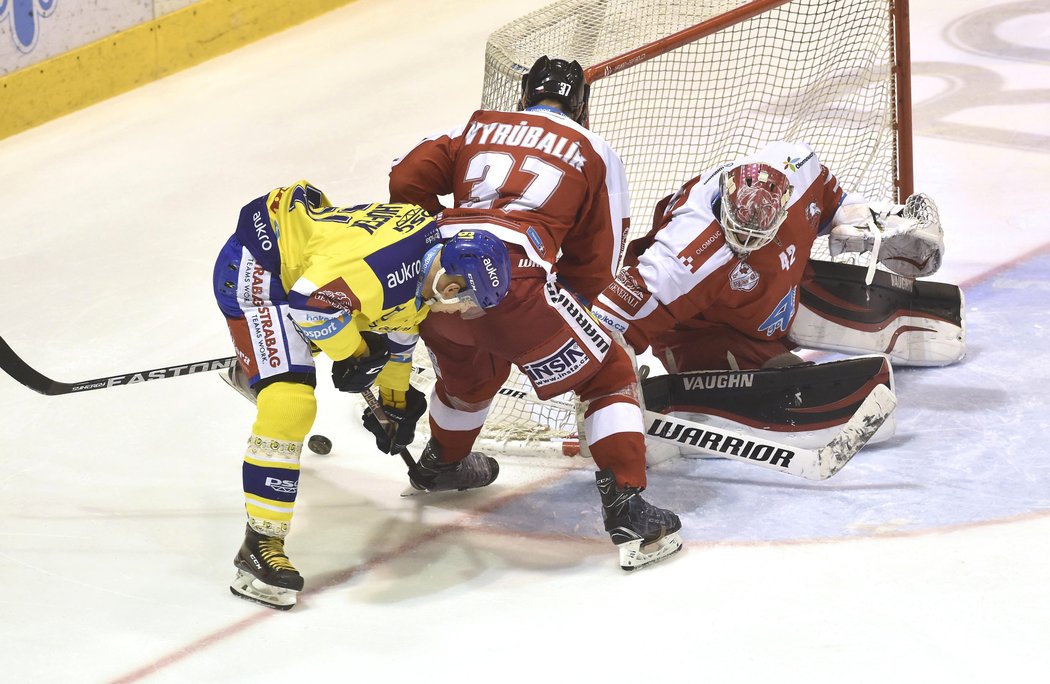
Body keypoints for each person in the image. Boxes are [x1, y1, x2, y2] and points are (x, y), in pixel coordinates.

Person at [385, 56, 683, 572]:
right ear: (582, 107)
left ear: (524, 96)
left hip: (436, 281)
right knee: (608, 369)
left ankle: (443, 463)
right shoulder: (595, 150)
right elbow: (600, 260)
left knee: (470, 374)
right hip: (517, 281)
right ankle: (630, 511)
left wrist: (440, 241)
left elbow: (403, 179)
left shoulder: (476, 124)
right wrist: (557, 310)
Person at [213, 180, 511, 610]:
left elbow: (400, 322)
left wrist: (394, 401)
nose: (466, 312)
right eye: (469, 302)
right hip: (259, 270)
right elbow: (309, 304)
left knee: (327, 340)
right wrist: (354, 354)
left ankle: (262, 365)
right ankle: (258, 548)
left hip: (309, 268)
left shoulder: (430, 261)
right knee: (291, 402)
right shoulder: (383, 273)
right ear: (451, 286)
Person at [590, 140, 946, 373]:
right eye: (738, 232)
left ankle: (776, 320)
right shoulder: (685, 258)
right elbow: (606, 320)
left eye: (756, 236)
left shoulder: (798, 168)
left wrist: (856, 217)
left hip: (763, 298)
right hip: (702, 325)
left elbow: (831, 199)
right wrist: (610, 381)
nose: (745, 243)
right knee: (792, 383)